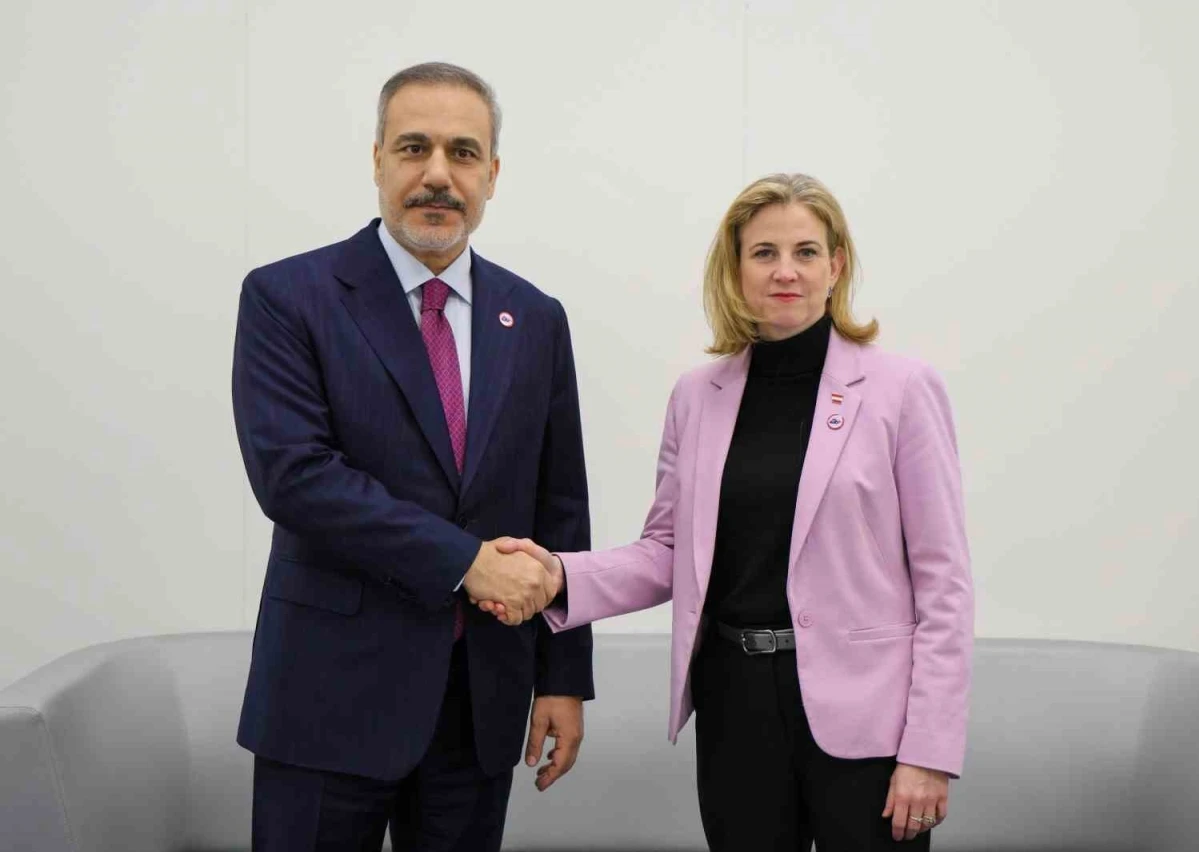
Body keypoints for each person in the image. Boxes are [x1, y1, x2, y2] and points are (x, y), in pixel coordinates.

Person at [484, 173, 974, 850]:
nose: (785, 271)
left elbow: (944, 585)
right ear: (736, 270)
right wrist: (557, 575)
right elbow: (667, 552)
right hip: (735, 705)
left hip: (868, 719)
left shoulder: (903, 391)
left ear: (836, 266)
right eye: (764, 253)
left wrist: (929, 750)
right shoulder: (697, 396)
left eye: (806, 252)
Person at [232, 62, 593, 852]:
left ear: (492, 174)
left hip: (481, 702)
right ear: (377, 161)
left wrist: (563, 677)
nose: (438, 174)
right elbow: (296, 478)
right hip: (326, 699)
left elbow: (560, 505)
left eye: (463, 152)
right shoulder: (288, 297)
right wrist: (467, 563)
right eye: (413, 147)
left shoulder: (535, 318)